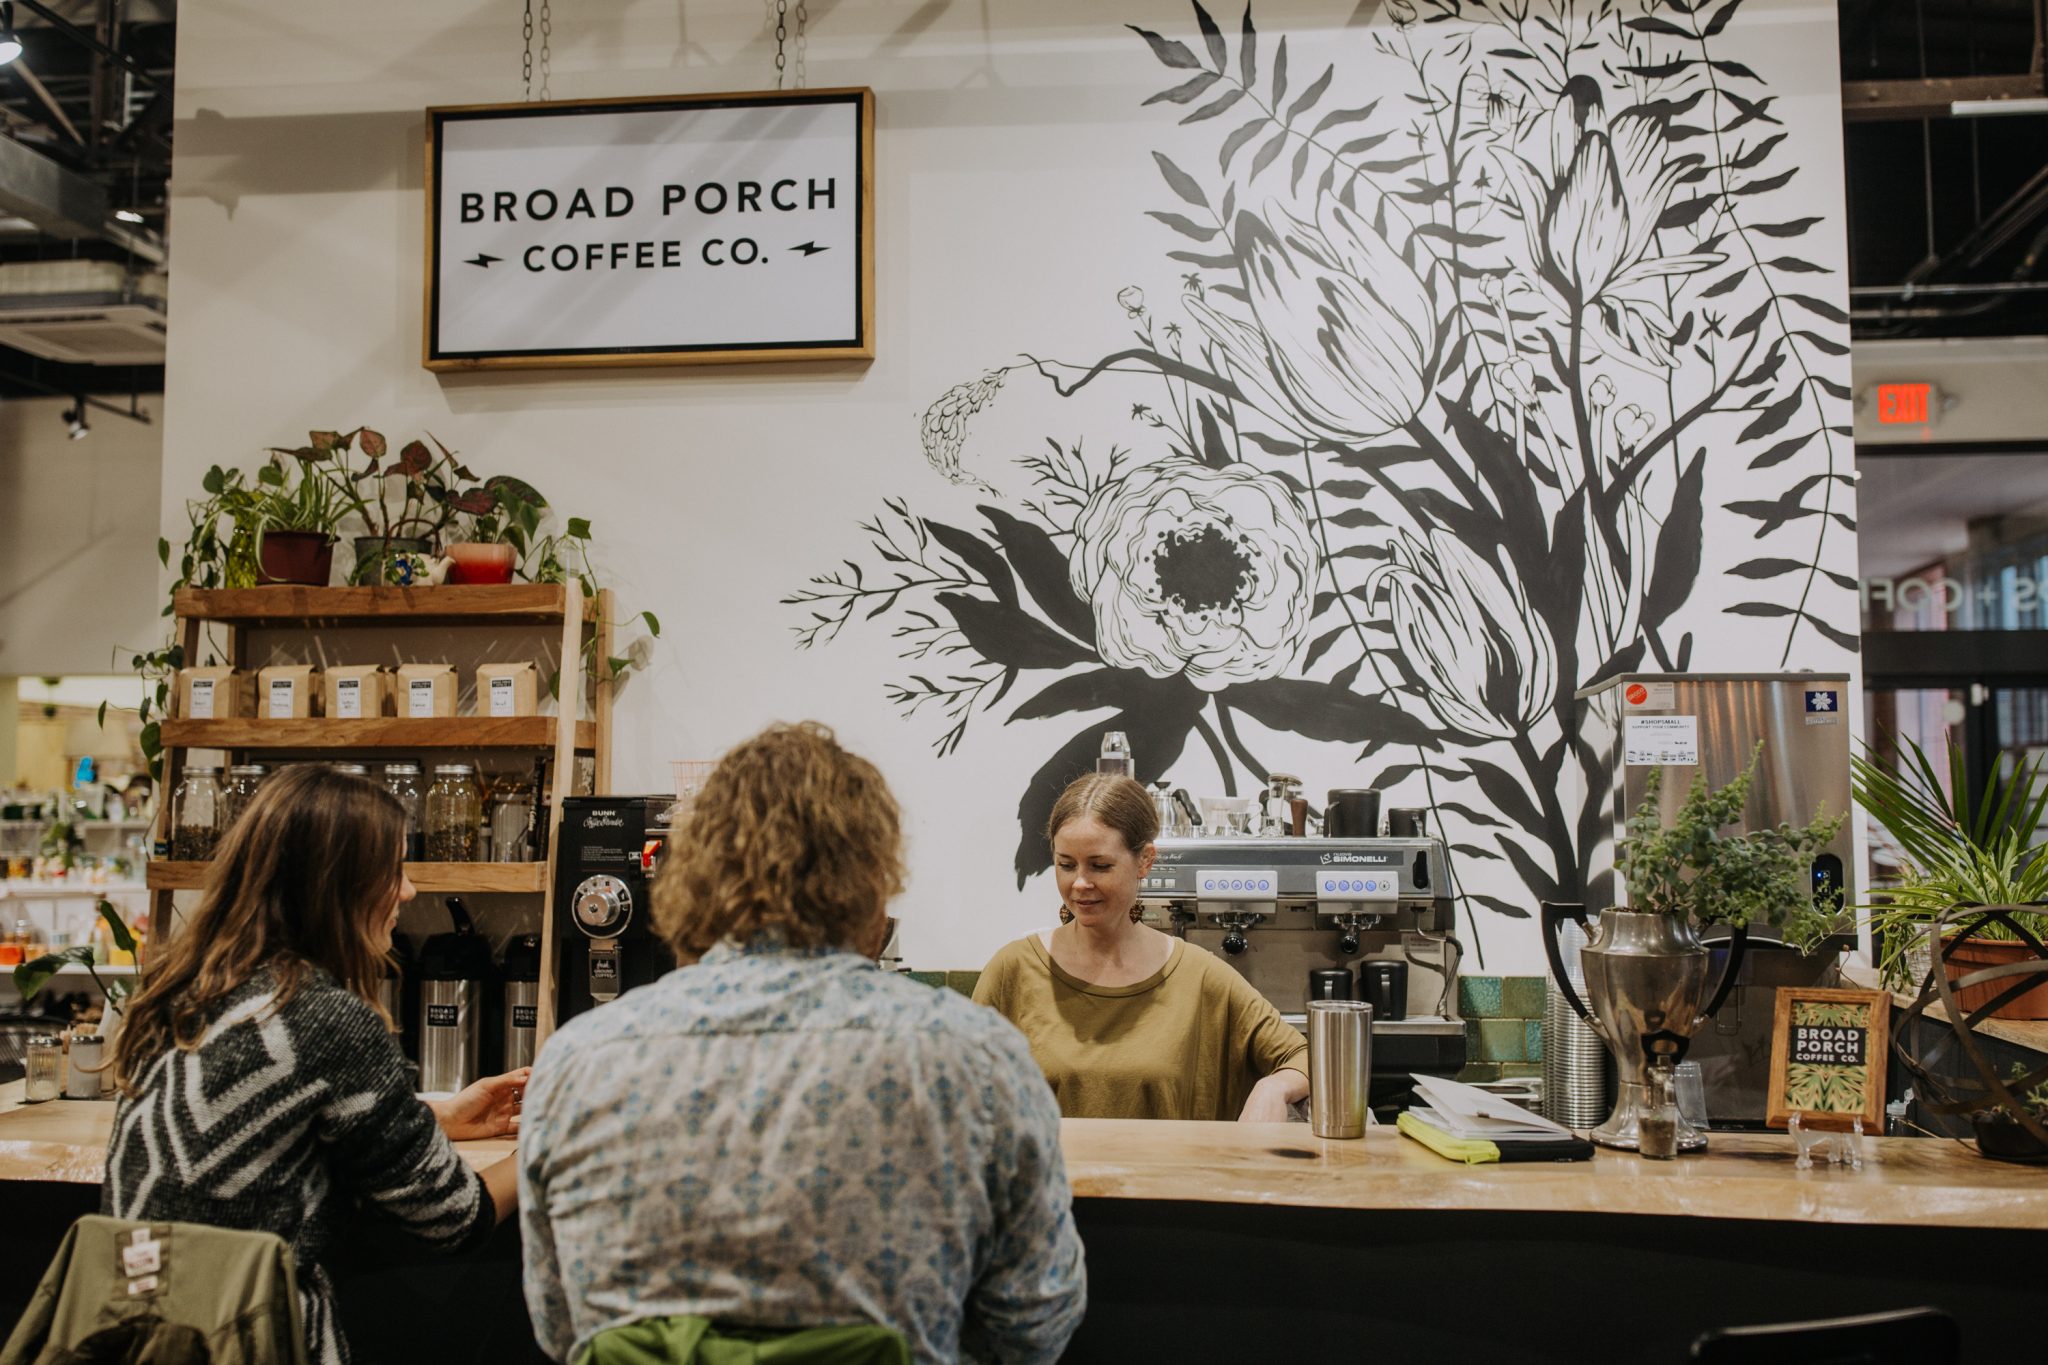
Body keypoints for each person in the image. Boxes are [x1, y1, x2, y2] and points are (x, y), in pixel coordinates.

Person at [520, 722, 1085, 1364]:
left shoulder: (578, 1062)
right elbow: (1037, 1319)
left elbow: (560, 1328)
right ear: (873, 878)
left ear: (694, 874)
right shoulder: (975, 1058)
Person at [103, 765, 525, 1365]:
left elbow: (266, 1119)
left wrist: (439, 1115)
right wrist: (550, 1137)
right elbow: (455, 1216)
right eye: (394, 871)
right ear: (339, 885)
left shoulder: (182, 992)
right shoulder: (323, 1017)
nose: (408, 892)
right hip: (251, 1339)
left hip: (141, 1334)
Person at [974, 773, 1311, 1122]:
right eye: (1066, 865)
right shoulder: (1011, 971)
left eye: (1100, 865)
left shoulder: (1200, 977)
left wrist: (1273, 1088)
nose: (1079, 883)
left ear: (1145, 861)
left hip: (1166, 1178)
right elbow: (958, 1092)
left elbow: (1305, 1057)